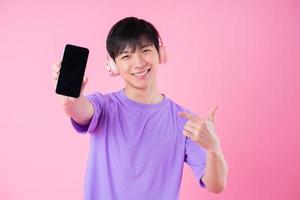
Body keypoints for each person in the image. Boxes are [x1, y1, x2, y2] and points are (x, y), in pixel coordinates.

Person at [51, 16, 228, 200]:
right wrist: (70, 99)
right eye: (126, 56)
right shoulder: (104, 106)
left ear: (160, 53)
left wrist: (213, 148)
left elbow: (216, 185)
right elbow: (79, 110)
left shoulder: (185, 120)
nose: (139, 62)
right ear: (112, 65)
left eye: (145, 50)